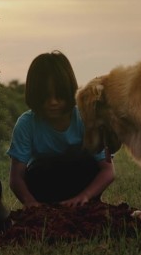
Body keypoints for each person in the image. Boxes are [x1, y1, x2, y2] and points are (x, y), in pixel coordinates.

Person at [7, 51, 115, 209]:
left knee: (85, 162)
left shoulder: (85, 119)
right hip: (45, 189)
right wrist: (31, 204)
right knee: (38, 171)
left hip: (82, 187)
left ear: (69, 91)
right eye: (46, 96)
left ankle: (88, 204)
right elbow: (17, 178)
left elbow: (108, 171)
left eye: (59, 95)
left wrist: (84, 196)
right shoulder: (26, 124)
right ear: (35, 94)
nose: (53, 102)